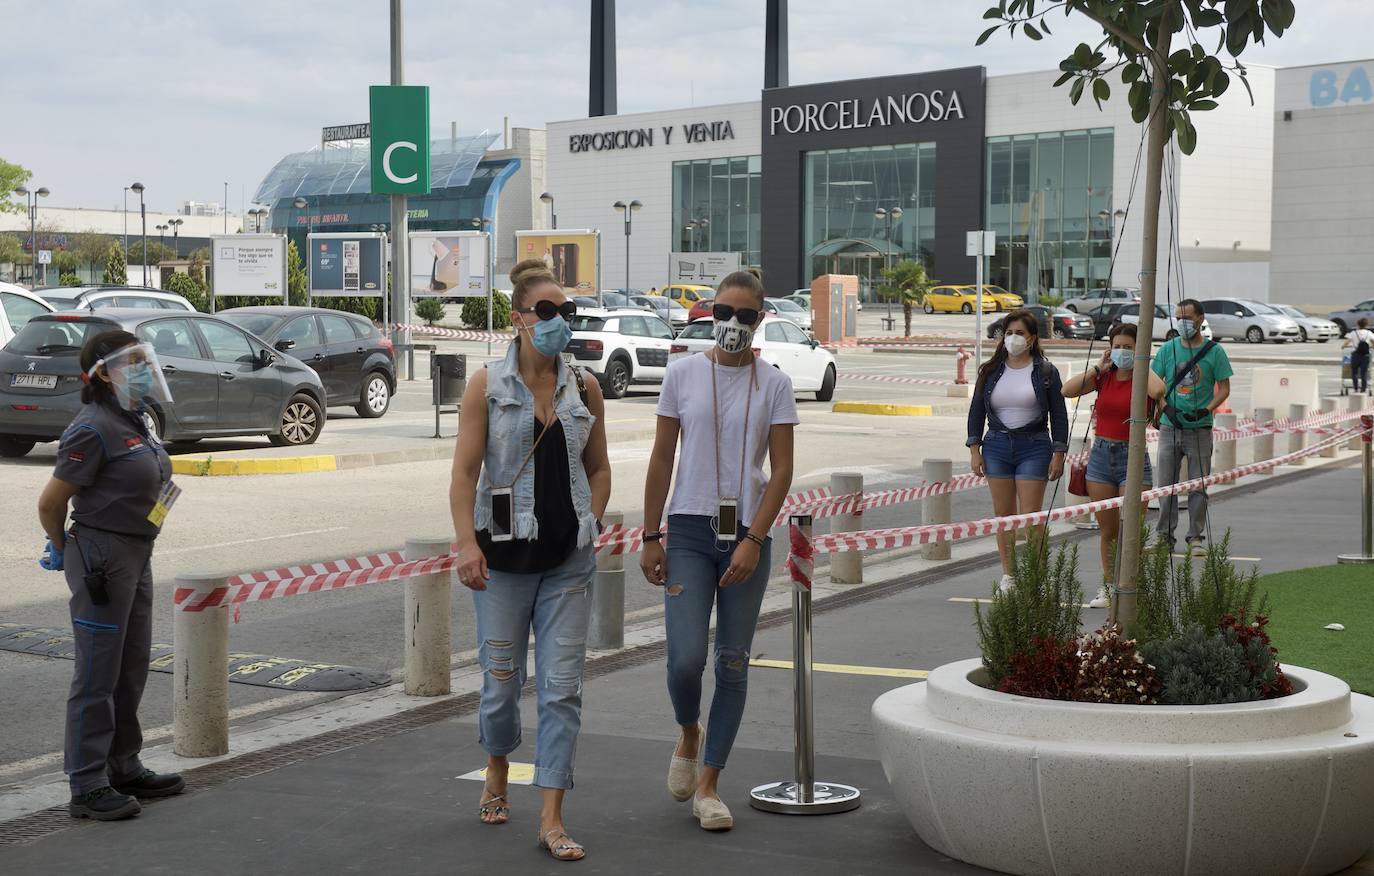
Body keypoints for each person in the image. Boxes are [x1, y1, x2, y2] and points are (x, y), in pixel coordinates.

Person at [449, 259, 612, 863]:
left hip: (569, 562)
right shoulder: (486, 386)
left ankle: (551, 817)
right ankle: (497, 765)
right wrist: (467, 543)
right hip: (502, 563)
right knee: (500, 687)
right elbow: (465, 474)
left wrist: (591, 518)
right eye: (546, 311)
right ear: (518, 319)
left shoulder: (585, 387)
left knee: (562, 691)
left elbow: (599, 468)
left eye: (565, 311)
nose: (558, 320)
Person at [640, 270, 797, 832]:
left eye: (744, 316)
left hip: (746, 534)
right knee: (685, 658)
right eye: (723, 313)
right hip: (687, 528)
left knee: (732, 660)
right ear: (710, 314)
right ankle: (689, 730)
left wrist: (754, 539)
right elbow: (662, 457)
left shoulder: (775, 384)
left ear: (760, 320)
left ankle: (709, 785)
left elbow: (782, 471)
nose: (732, 324)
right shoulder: (682, 373)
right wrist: (650, 535)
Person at [36, 330, 185, 822]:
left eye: (145, 360)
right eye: (133, 362)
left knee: (131, 665)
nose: (143, 369)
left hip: (137, 552)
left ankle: (123, 765)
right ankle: (87, 785)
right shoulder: (92, 428)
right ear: (103, 373)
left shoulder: (135, 419)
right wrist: (61, 547)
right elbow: (50, 503)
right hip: (102, 556)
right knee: (97, 673)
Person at [1061, 323, 1166, 608]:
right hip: (1101, 456)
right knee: (1107, 530)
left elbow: (1159, 391)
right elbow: (1067, 390)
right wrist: (1098, 367)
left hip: (1133, 456)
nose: (1122, 352)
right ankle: (1108, 586)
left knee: (1131, 530)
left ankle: (1131, 586)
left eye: (1128, 347)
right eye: (1117, 346)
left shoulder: (1144, 378)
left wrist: (1142, 363)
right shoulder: (1104, 376)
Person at [967, 309, 1069, 592]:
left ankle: (1037, 576)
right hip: (996, 446)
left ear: (1032, 338)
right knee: (1004, 516)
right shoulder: (989, 371)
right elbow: (976, 411)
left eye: (1020, 333)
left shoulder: (1046, 371)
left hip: (1034, 447)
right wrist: (975, 449)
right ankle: (1009, 575)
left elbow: (1059, 415)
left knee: (1031, 517)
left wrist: (1059, 453)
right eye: (1009, 333)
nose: (1013, 338)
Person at [1151, 298, 1233, 554]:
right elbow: (1153, 382)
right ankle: (1164, 537)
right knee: (1166, 485)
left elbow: (1224, 388)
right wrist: (1165, 407)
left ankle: (1195, 537)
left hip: (1200, 428)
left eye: (1186, 318)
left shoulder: (1215, 352)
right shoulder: (1168, 349)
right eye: (1178, 318)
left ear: (1200, 319)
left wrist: (1207, 409)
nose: (1182, 322)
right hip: (1169, 426)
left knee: (1198, 486)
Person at [1344, 317, 1373, 395]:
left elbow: (1346, 342)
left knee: (1354, 372)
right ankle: (1363, 389)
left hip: (1356, 354)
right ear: (1366, 325)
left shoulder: (1353, 333)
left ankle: (1356, 388)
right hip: (1366, 355)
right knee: (1364, 372)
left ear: (1358, 324)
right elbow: (1373, 342)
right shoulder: (1369, 333)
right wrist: (1371, 346)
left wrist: (1344, 346)